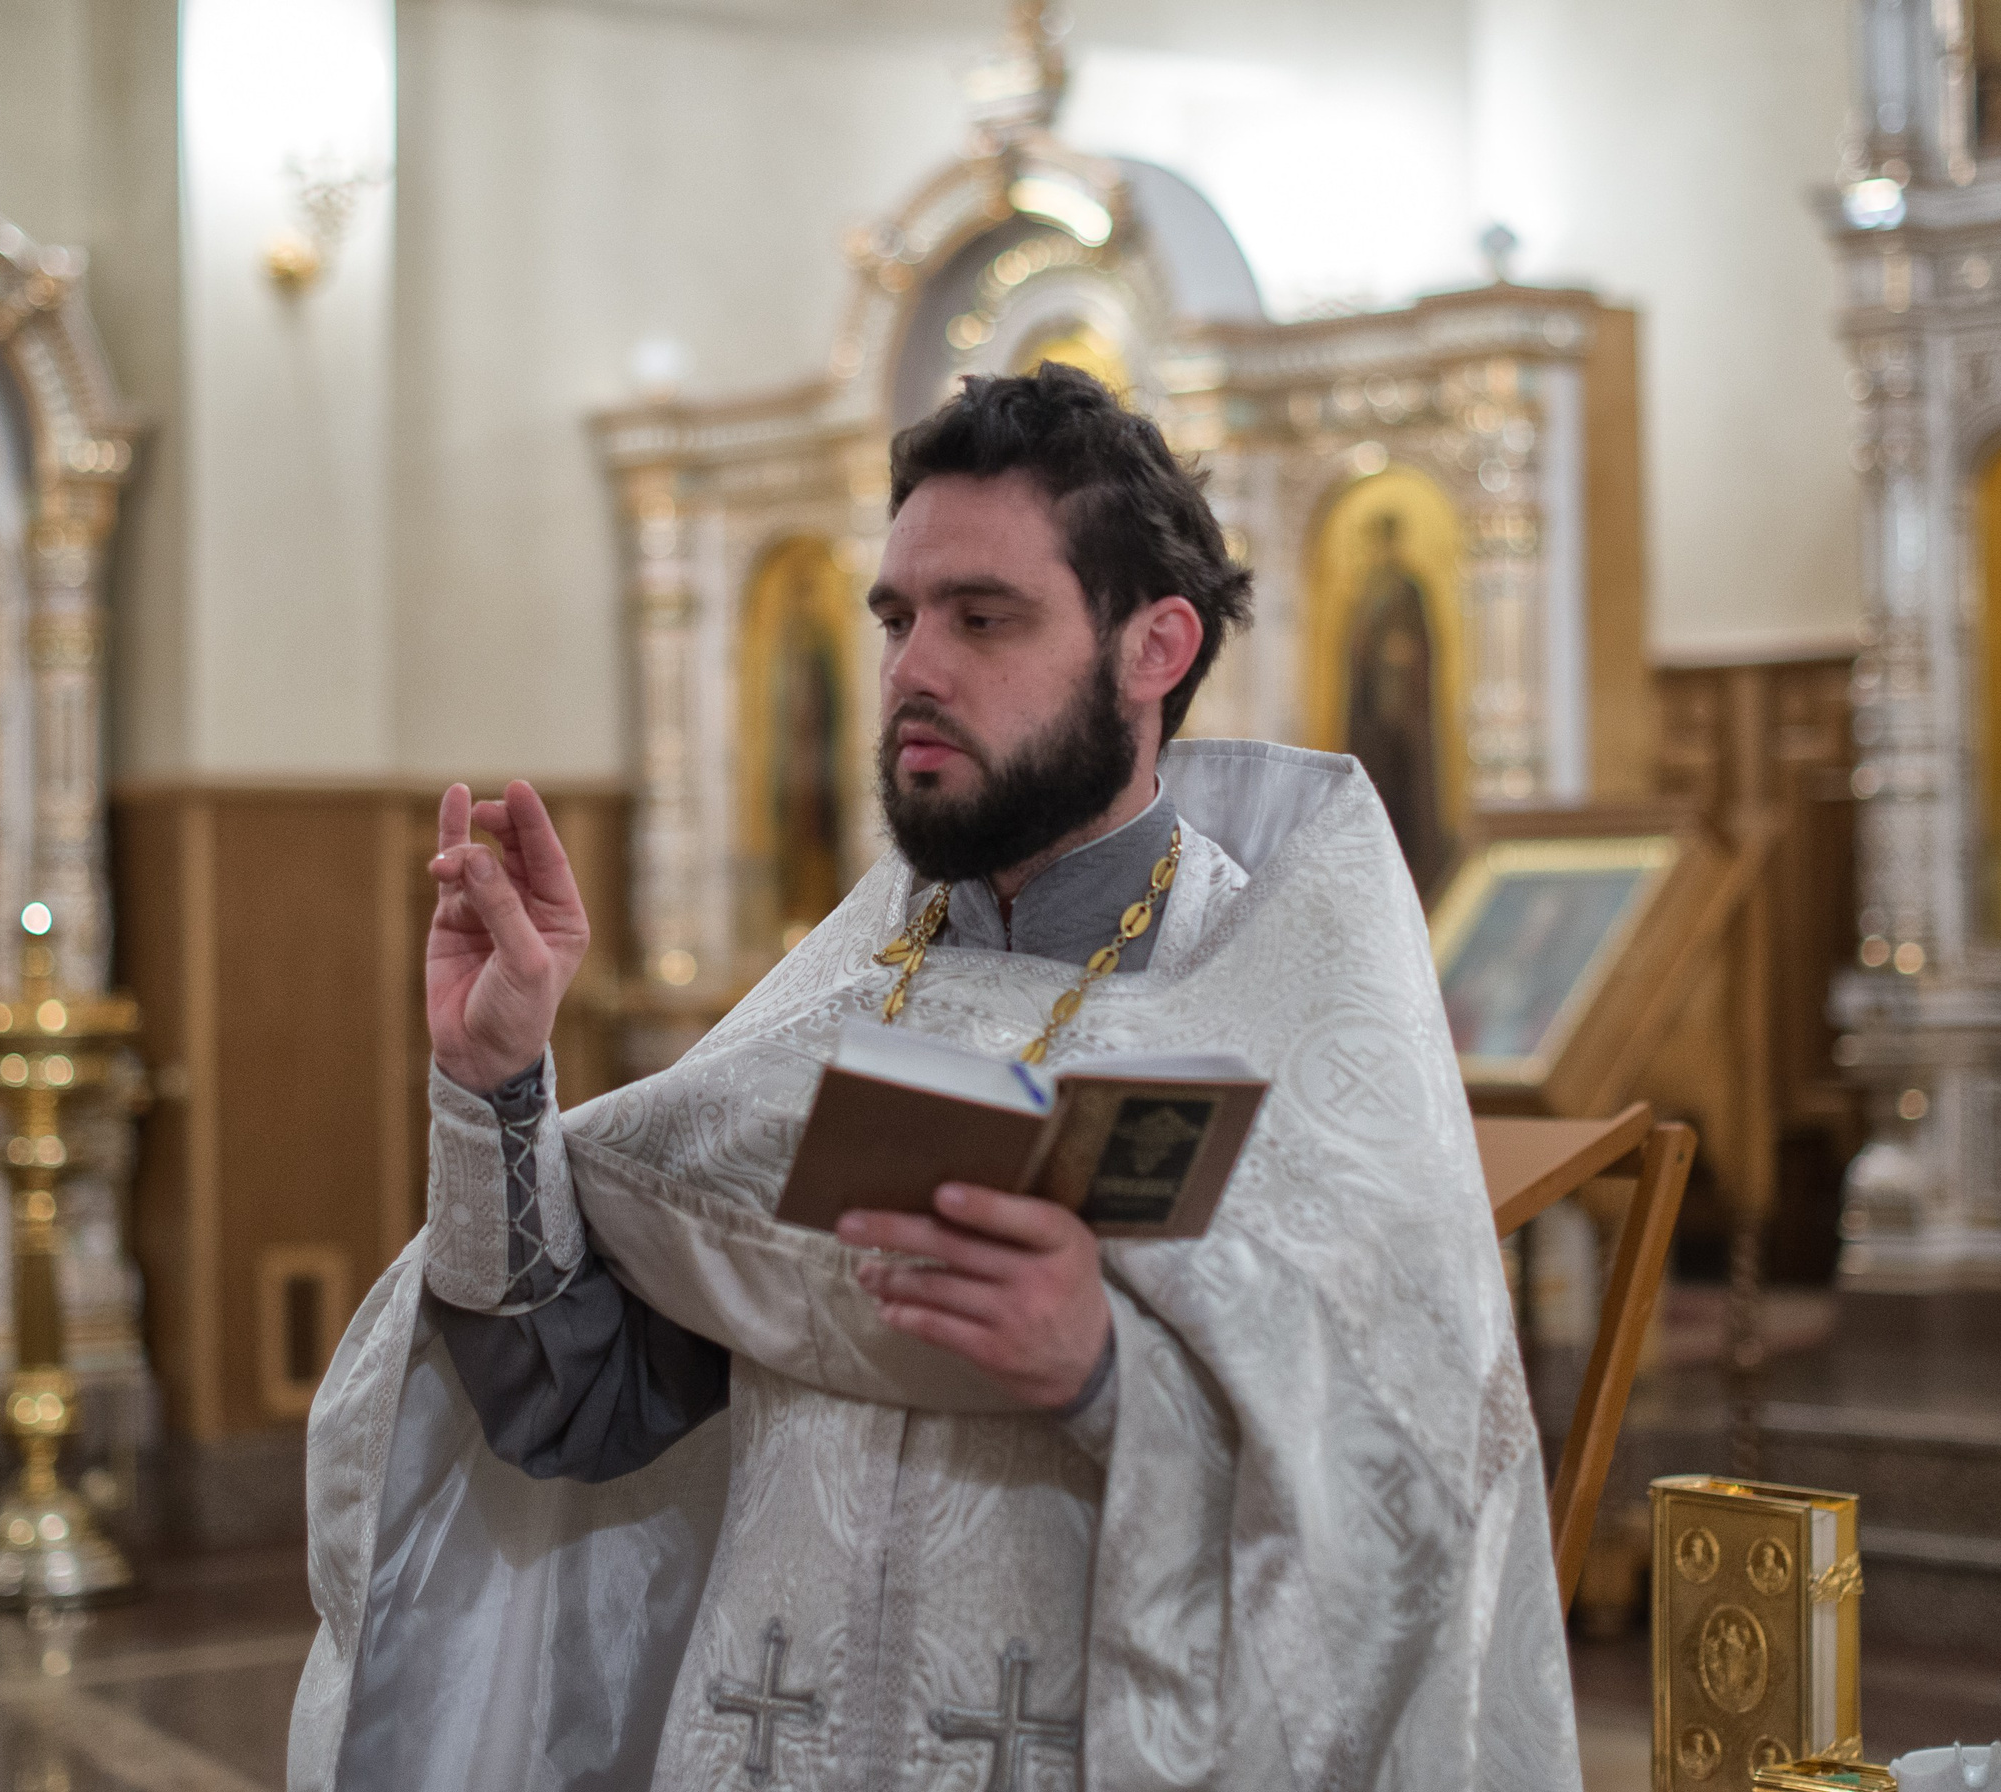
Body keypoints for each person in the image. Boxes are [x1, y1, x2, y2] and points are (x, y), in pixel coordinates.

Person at [289, 365, 1580, 1790]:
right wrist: (499, 1081)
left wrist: (1106, 1379)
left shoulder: (1282, 1026)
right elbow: (569, 1410)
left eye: (984, 617)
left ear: (1154, 647)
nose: (911, 668)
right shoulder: (827, 1015)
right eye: (898, 617)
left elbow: (1405, 1510)